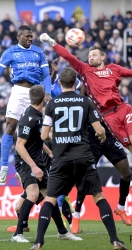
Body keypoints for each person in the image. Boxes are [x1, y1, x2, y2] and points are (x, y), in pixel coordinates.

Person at [39, 32, 132, 200]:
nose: (90, 57)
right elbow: (68, 56)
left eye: (93, 55)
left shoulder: (113, 69)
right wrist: (52, 42)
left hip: (123, 108)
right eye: (89, 55)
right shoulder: (85, 70)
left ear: (102, 57)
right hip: (108, 117)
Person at [31, 68, 127, 250]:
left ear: (59, 83)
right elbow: (99, 130)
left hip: (61, 159)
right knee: (98, 196)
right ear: (76, 83)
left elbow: (44, 136)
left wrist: (57, 136)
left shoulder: (52, 105)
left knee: (50, 199)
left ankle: (38, 242)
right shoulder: (86, 101)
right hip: (84, 157)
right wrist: (102, 137)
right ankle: (115, 240)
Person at [50, 59, 132, 232]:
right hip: (92, 138)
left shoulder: (109, 85)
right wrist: (84, 83)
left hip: (109, 136)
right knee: (85, 178)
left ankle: (121, 208)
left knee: (127, 172)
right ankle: (77, 218)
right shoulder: (85, 89)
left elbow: (119, 105)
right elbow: (78, 97)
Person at [0, 25, 51, 183]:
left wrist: (47, 92)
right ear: (19, 36)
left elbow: (46, 74)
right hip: (19, 90)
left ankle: (26, 167)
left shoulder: (38, 52)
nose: (30, 38)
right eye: (27, 36)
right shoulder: (10, 52)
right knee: (11, 125)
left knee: (35, 130)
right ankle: (4, 166)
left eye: (31, 36)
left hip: (36, 92)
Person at [12, 85, 81, 243]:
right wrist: (33, 166)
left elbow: (36, 139)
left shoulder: (38, 116)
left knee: (51, 196)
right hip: (26, 161)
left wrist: (49, 152)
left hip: (38, 159)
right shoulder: (29, 118)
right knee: (33, 194)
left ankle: (62, 232)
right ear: (44, 99)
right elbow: (19, 146)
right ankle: (17, 234)